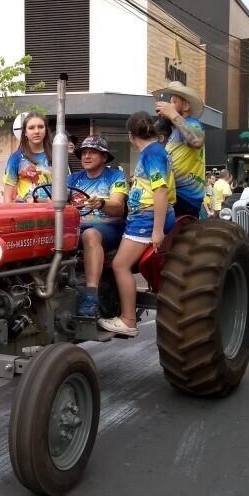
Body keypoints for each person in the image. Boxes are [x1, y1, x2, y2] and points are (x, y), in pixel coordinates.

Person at [100, 113, 176, 337]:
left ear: (131, 136)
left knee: (120, 265)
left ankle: (128, 319)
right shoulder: (158, 151)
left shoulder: (151, 154)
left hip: (147, 217)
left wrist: (157, 230)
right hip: (144, 216)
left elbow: (160, 190)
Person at [67, 136, 127, 318]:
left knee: (91, 234)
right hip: (76, 229)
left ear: (104, 157)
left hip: (109, 228)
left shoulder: (116, 176)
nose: (86, 156)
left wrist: (101, 203)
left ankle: (91, 297)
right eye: (84, 152)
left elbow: (117, 207)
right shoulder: (72, 179)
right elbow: (56, 200)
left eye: (92, 152)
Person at [154, 81, 206, 218]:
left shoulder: (191, 124)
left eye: (173, 102)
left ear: (186, 106)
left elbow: (197, 140)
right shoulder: (173, 133)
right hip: (175, 196)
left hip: (184, 198)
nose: (168, 106)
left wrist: (172, 114)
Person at [3, 113, 53, 203]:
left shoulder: (57, 156)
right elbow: (7, 197)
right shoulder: (15, 158)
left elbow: (67, 189)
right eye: (31, 128)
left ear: (46, 130)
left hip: (52, 214)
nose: (36, 131)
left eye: (41, 127)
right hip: (25, 215)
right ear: (25, 132)